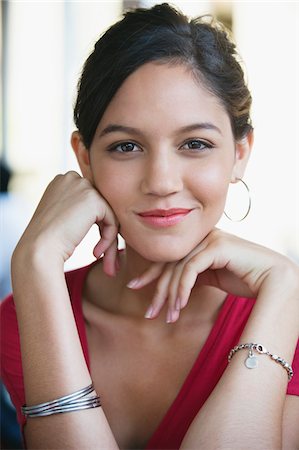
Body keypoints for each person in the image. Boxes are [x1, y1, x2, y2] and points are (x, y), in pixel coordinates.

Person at [1, 3, 298, 449]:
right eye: (126, 146)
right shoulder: (29, 311)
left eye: (195, 143)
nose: (161, 182)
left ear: (240, 154)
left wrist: (285, 285)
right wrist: (35, 261)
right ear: (84, 158)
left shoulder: (286, 313)